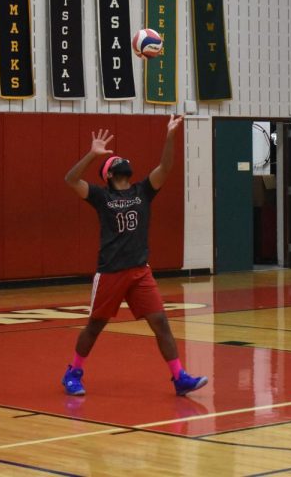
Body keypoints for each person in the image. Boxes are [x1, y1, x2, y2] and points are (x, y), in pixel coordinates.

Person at [61, 114, 208, 395]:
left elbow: (166, 167)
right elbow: (70, 179)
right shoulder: (101, 196)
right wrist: (92, 154)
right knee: (95, 327)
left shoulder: (143, 190)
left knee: (161, 322)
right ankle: (73, 373)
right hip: (111, 272)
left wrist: (169, 137)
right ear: (109, 173)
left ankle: (180, 378)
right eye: (115, 160)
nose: (122, 161)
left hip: (140, 271)